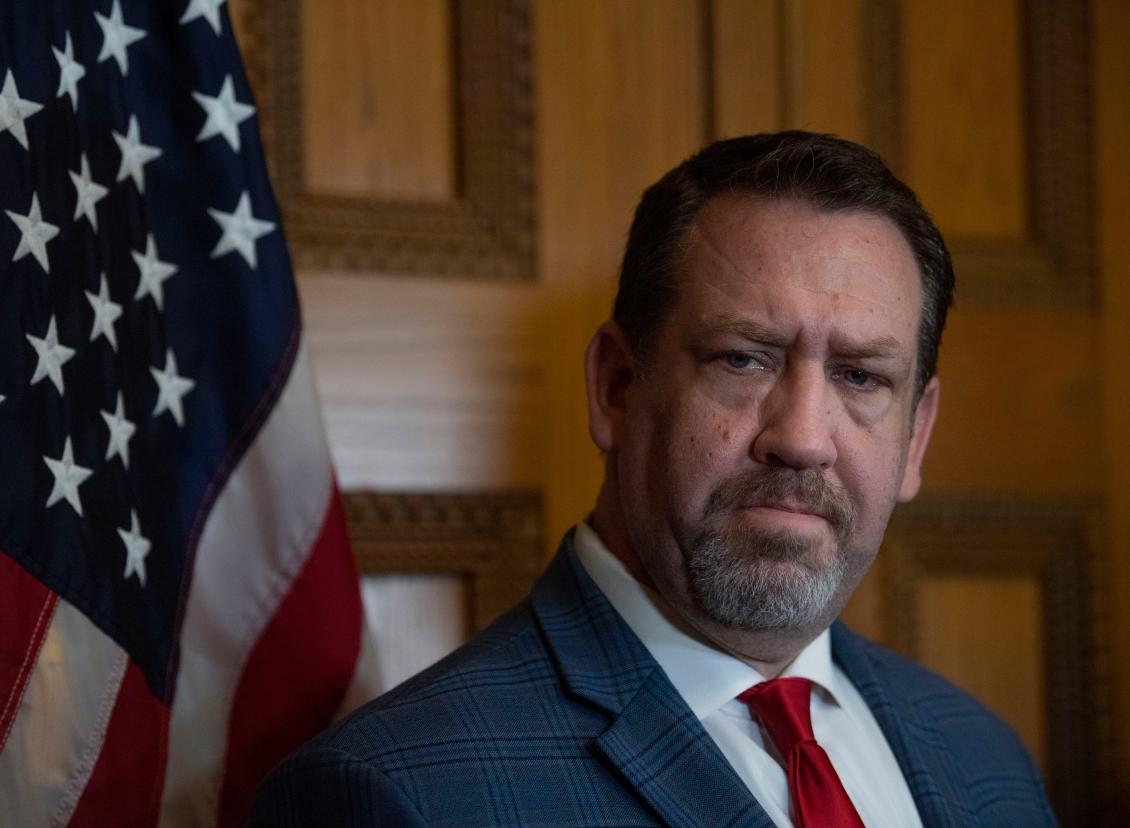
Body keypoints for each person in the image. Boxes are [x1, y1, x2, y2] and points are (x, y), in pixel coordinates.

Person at [251, 132, 1056, 826]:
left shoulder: (985, 759)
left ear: (916, 435)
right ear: (615, 388)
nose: (804, 440)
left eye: (860, 377)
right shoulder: (397, 796)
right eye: (743, 359)